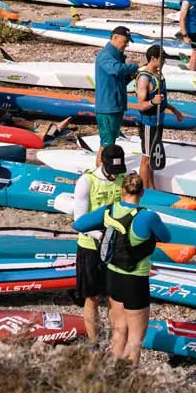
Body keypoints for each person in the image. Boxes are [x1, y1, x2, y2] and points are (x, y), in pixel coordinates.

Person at [71, 171, 172, 362]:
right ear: (142, 192)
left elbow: (79, 224)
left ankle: (112, 377)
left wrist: (103, 233)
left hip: (113, 278)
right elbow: (167, 237)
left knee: (118, 333)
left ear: (121, 190)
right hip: (135, 281)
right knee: (134, 341)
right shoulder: (148, 217)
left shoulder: (109, 211)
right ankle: (130, 385)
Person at [70, 144, 128, 346]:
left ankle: (116, 341)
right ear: (101, 162)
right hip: (90, 247)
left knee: (115, 297)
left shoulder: (123, 179)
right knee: (92, 297)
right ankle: (94, 343)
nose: (114, 176)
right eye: (111, 171)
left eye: (117, 172)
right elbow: (79, 220)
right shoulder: (87, 181)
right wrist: (100, 235)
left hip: (116, 248)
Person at [131, 44, 183, 191]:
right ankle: (142, 189)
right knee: (146, 158)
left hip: (159, 121)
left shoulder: (159, 75)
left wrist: (174, 110)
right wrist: (153, 101)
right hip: (149, 123)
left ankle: (151, 187)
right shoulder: (144, 79)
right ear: (153, 59)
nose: (164, 62)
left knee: (153, 157)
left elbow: (163, 100)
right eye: (162, 59)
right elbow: (141, 105)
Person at [94, 26, 137, 148]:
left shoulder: (117, 56)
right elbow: (115, 69)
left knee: (111, 141)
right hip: (107, 107)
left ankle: (105, 164)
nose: (126, 45)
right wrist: (133, 67)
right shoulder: (105, 55)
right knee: (107, 143)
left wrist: (131, 76)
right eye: (125, 41)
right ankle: (102, 165)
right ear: (115, 38)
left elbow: (120, 80)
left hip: (116, 106)